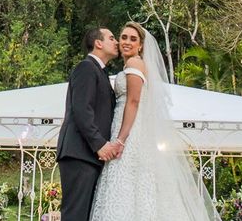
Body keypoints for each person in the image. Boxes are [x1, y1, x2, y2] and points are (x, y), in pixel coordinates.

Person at [90, 22, 220, 221]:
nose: (126, 42)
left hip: (130, 131)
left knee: (125, 180)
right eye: (123, 37)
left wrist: (121, 139)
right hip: (127, 126)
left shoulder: (134, 64)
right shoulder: (131, 65)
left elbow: (133, 102)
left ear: (141, 46)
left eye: (133, 39)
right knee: (131, 183)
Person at [56, 27, 122, 221]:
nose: (116, 42)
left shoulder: (100, 72)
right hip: (79, 153)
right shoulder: (86, 68)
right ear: (98, 43)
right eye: (111, 38)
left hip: (88, 155)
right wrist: (99, 144)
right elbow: (81, 109)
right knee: (75, 214)